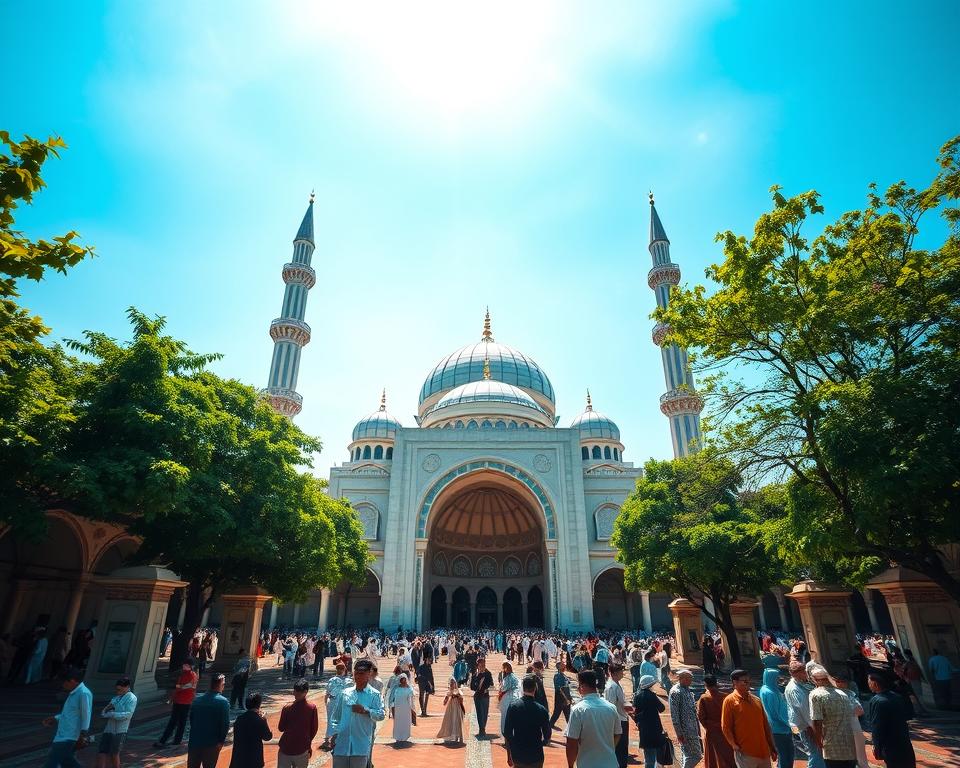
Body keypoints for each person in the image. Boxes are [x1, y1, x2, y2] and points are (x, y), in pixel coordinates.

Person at [329, 658, 386, 767]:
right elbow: (336, 717)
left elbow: (381, 714)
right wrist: (335, 734)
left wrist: (366, 710)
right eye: (356, 673)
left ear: (369, 674)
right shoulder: (345, 693)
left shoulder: (375, 695)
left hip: (360, 745)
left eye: (361, 673)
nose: (358, 676)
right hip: (341, 745)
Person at [565, 669, 622, 768]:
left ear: (582, 686)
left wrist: (570, 765)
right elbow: (618, 733)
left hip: (587, 764)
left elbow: (571, 742)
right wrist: (608, 748)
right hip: (610, 763)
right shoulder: (611, 707)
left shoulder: (578, 710)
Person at [720, 669, 776, 768]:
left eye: (749, 680)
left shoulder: (757, 700)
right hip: (745, 753)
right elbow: (726, 727)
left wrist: (772, 747)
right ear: (735, 682)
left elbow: (765, 725)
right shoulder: (729, 701)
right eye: (745, 681)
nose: (748, 683)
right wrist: (734, 745)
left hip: (763, 751)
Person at [808, 665, 859, 768]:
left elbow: (817, 721)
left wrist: (818, 742)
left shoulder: (816, 695)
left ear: (814, 680)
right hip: (849, 744)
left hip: (832, 746)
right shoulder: (843, 693)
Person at [41, 666, 92, 768]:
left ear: (72, 681)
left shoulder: (83, 693)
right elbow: (70, 713)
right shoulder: (73, 693)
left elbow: (86, 715)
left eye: (64, 682)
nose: (63, 685)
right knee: (67, 762)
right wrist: (55, 718)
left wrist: (83, 734)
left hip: (70, 736)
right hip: (64, 734)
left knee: (52, 762)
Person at [867, 672, 916, 768]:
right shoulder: (898, 697)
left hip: (889, 744)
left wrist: (876, 745)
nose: (868, 684)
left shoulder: (877, 701)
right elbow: (909, 715)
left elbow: (877, 726)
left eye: (869, 682)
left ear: (875, 683)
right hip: (903, 740)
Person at [504, 674, 551, 768]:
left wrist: (511, 751)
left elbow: (507, 732)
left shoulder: (513, 706)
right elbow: (547, 735)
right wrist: (541, 743)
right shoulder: (542, 709)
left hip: (518, 754)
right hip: (536, 754)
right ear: (535, 688)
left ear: (523, 688)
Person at [785, 660, 825, 768]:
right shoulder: (793, 689)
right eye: (803, 672)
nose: (806, 674)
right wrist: (815, 730)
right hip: (807, 726)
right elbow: (805, 711)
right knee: (816, 753)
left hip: (809, 723)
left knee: (818, 753)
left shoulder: (801, 683)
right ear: (796, 674)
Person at [187, 673, 230, 768]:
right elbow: (225, 724)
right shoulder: (223, 702)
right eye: (223, 684)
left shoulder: (197, 701)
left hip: (195, 741)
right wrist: (221, 741)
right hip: (212, 743)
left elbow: (192, 720)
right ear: (220, 685)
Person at [155, 659, 199, 747]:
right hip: (179, 700)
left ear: (191, 666)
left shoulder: (193, 675)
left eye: (186, 665)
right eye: (184, 665)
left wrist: (179, 687)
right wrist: (175, 693)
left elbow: (189, 686)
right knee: (176, 721)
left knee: (179, 721)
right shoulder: (183, 674)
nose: (184, 666)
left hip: (186, 701)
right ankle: (169, 740)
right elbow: (180, 686)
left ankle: (170, 740)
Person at [278, 678, 320, 768]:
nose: (295, 693)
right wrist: (307, 742)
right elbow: (314, 729)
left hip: (286, 747)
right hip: (302, 748)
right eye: (295, 691)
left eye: (297, 691)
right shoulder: (312, 708)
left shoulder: (287, 708)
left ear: (305, 692)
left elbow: (281, 728)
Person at [98, 676, 138, 768]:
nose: (118, 691)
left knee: (114, 753)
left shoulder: (132, 698)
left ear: (127, 687)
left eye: (120, 689)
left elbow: (127, 715)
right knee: (102, 751)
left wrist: (112, 714)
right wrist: (107, 712)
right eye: (117, 689)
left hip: (120, 730)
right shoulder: (116, 698)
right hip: (109, 728)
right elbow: (105, 710)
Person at [697, 675, 735, 768]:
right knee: (728, 755)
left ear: (706, 685)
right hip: (726, 731)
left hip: (712, 732)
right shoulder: (726, 697)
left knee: (713, 757)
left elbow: (701, 717)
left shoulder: (704, 698)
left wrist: (708, 727)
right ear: (716, 683)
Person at [758, 668, 793, 768]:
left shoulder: (766, 689)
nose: (778, 679)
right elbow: (776, 713)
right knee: (786, 755)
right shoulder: (770, 693)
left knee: (784, 754)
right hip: (780, 728)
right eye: (776, 677)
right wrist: (789, 723)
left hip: (777, 727)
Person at [832, 671, 868, 768]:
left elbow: (860, 711)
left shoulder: (850, 694)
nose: (838, 683)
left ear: (845, 683)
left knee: (860, 758)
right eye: (837, 681)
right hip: (841, 730)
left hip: (853, 728)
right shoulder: (832, 694)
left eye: (840, 681)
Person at [229, 693, 273, 768]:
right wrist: (264, 720)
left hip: (239, 758)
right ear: (259, 704)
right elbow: (267, 737)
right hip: (254, 759)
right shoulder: (260, 720)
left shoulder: (239, 719)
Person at [670, 669, 703, 768]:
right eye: (689, 679)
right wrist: (679, 733)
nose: (691, 681)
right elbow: (674, 715)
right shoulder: (676, 692)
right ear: (682, 679)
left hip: (692, 729)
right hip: (686, 731)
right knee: (695, 756)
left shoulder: (686, 689)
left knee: (688, 754)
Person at [633, 674, 664, 768]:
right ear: (650, 685)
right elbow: (661, 708)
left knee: (648, 756)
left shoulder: (637, 696)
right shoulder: (652, 696)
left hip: (643, 728)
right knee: (654, 756)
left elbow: (635, 712)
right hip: (655, 728)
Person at [604, 664, 632, 768]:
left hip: (621, 719)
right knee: (620, 750)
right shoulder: (612, 687)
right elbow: (611, 705)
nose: (622, 673)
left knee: (622, 749)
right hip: (617, 721)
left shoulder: (616, 684)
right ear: (615, 673)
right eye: (621, 671)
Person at [322, 662, 350, 750]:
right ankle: (339, 736)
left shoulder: (332, 680)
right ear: (344, 669)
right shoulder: (348, 680)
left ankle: (328, 736)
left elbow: (327, 692)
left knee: (330, 718)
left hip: (333, 701)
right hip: (343, 702)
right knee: (342, 718)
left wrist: (326, 701)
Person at [437, 677, 467, 744]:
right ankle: (455, 736)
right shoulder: (449, 692)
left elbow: (461, 700)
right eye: (451, 683)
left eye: (453, 683)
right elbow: (444, 702)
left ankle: (460, 737)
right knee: (452, 721)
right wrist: (446, 698)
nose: (452, 684)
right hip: (451, 708)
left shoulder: (459, 691)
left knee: (458, 721)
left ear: (455, 683)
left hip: (458, 708)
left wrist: (458, 696)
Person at [470, 655, 495, 736]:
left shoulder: (488, 674)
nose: (482, 667)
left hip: (485, 696)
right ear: (478, 666)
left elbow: (492, 685)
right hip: (477, 696)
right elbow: (471, 687)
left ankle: (483, 727)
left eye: (483, 665)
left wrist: (486, 689)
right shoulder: (475, 675)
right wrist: (477, 686)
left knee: (485, 712)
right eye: (480, 665)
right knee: (479, 713)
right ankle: (482, 729)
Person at [390, 674, 417, 742]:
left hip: (406, 708)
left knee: (406, 721)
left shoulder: (409, 689)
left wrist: (412, 708)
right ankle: (397, 736)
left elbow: (411, 699)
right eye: (402, 681)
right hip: (398, 708)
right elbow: (392, 699)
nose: (404, 682)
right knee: (398, 722)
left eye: (405, 681)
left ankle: (405, 735)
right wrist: (392, 707)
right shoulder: (396, 689)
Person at [500, 661, 522, 736]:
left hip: (508, 698)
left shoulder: (507, 678)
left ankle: (506, 735)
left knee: (505, 717)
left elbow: (503, 688)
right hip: (517, 696)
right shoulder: (515, 677)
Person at [550, 660, 573, 729]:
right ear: (559, 667)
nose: (564, 665)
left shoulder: (563, 675)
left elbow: (567, 686)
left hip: (565, 695)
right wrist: (566, 699)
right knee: (558, 712)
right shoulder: (557, 676)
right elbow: (560, 689)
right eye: (562, 665)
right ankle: (550, 724)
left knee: (566, 713)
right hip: (560, 696)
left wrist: (569, 697)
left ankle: (570, 727)